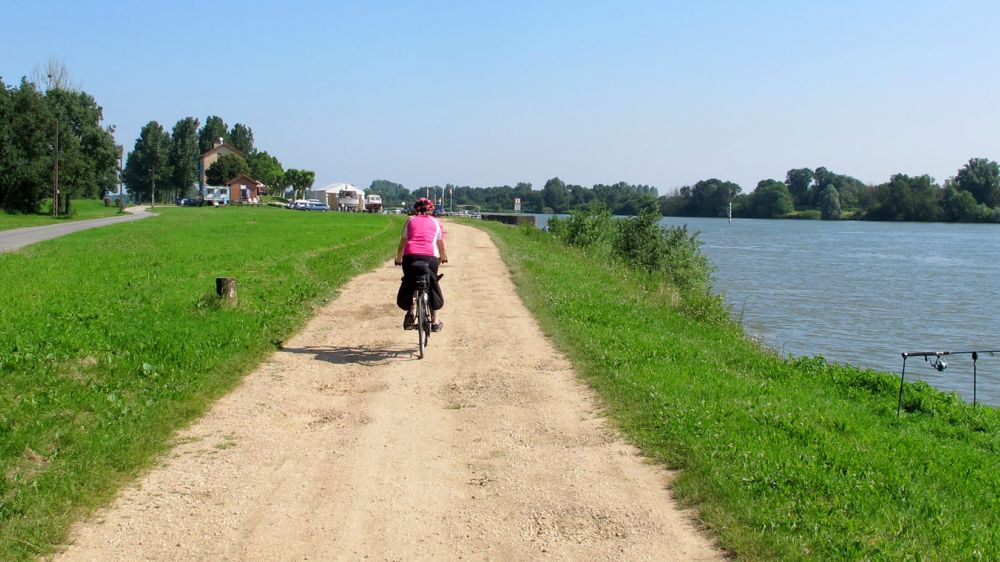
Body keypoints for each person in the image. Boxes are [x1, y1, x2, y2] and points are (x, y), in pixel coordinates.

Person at [394, 197, 448, 331]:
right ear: (431, 210)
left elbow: (402, 245)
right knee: (432, 283)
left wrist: (399, 259)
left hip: (410, 257)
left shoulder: (410, 221)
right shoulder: (436, 223)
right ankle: (435, 322)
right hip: (430, 258)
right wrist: (443, 257)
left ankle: (411, 311)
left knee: (410, 281)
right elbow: (442, 246)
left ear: (415, 209)